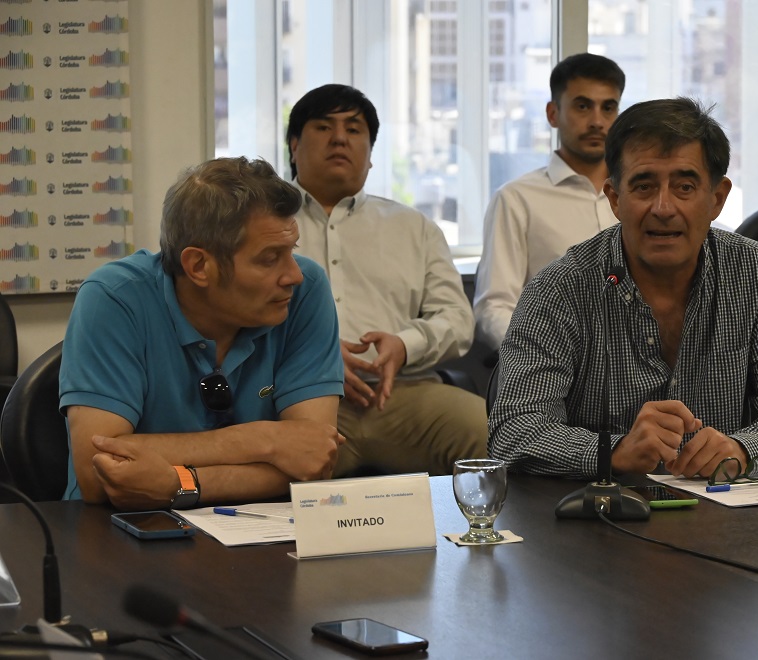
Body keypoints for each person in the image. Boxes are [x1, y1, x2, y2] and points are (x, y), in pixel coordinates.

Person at [489, 98, 758, 479]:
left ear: (716, 199)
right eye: (644, 186)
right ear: (615, 199)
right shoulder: (560, 289)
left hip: (722, 508)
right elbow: (514, 432)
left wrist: (743, 450)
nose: (663, 208)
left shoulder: (756, 274)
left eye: (684, 187)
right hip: (600, 509)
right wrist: (613, 451)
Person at [60, 157, 345, 511]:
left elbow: (315, 462)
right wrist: (264, 439)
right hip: (119, 528)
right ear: (198, 266)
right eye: (270, 258)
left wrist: (180, 484)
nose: (293, 275)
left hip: (263, 527)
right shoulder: (114, 298)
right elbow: (98, 472)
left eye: (292, 251)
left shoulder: (305, 292)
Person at [287, 84, 488, 476]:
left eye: (354, 129)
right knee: (278, 467)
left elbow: (457, 320)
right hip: (301, 397)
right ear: (294, 146)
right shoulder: (263, 225)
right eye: (324, 127)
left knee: (493, 436)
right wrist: (314, 358)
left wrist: (404, 345)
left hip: (404, 395)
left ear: (371, 155)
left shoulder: (414, 227)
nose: (340, 138)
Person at [474, 53, 625, 351]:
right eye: (583, 106)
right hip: (552, 360)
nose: (597, 121)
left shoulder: (639, 196)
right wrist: (544, 355)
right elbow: (494, 308)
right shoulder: (517, 199)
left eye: (608, 108)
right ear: (553, 114)